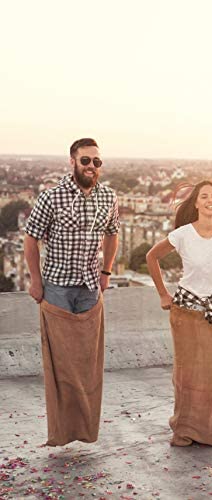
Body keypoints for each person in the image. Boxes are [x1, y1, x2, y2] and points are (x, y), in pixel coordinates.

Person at [24, 138, 119, 446]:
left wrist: (106, 272)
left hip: (91, 288)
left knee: (88, 364)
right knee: (60, 366)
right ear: (72, 162)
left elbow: (112, 236)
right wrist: (36, 281)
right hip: (57, 288)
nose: (92, 166)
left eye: (97, 162)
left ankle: (85, 430)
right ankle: (61, 432)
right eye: (86, 161)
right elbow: (30, 240)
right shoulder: (51, 197)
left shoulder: (108, 197)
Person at [146, 180, 212, 447]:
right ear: (196, 203)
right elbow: (151, 257)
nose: (210, 200)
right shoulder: (183, 234)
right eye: (205, 196)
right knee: (186, 373)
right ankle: (185, 429)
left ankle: (210, 430)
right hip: (186, 310)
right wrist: (163, 295)